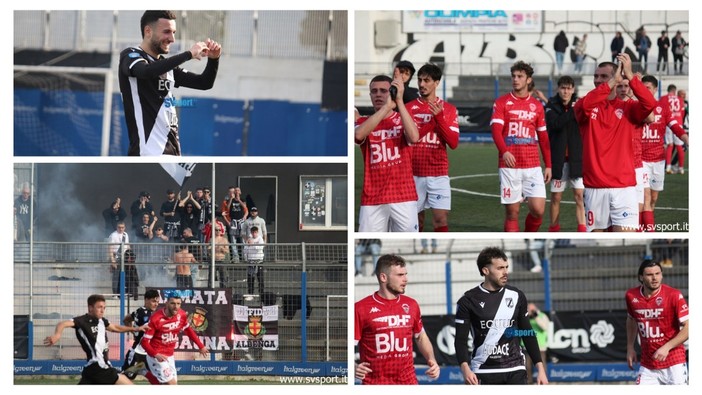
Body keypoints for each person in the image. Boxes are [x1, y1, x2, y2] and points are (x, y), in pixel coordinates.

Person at [119, 10, 221, 156]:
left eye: (173, 32)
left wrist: (213, 59)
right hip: (147, 153)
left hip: (172, 153)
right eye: (167, 32)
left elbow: (204, 83)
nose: (172, 38)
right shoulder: (130, 55)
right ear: (148, 31)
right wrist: (188, 54)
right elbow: (146, 71)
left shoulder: (165, 65)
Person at [573, 54, 656, 232]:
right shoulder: (584, 105)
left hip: (625, 187)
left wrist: (630, 76)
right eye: (596, 76)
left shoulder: (628, 108)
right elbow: (584, 106)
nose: (597, 80)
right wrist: (611, 82)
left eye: (603, 76)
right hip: (595, 186)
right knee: (598, 237)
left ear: (616, 77)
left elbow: (650, 104)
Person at [454, 247, 548, 385]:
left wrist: (540, 369)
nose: (505, 272)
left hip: (515, 369)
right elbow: (460, 340)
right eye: (500, 268)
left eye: (506, 267)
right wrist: (465, 369)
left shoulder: (517, 296)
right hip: (483, 371)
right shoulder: (468, 300)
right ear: (485, 271)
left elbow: (527, 333)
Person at [354, 254, 440, 384]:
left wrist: (432, 359)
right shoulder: (361, 308)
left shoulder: (411, 305)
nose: (405, 279)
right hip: (376, 383)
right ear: (383, 277)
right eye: (400, 275)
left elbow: (420, 336)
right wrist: (353, 366)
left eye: (405, 274)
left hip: (408, 381)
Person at [491, 60, 551, 232]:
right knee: (512, 213)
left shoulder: (537, 106)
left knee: (538, 210)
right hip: (509, 166)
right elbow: (496, 131)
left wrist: (549, 165)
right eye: (513, 76)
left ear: (528, 80)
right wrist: (504, 152)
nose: (515, 79)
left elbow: (543, 137)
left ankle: (529, 236)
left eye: (520, 76)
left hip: (532, 166)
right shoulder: (501, 102)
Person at [355, 73, 420, 232]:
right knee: (366, 241)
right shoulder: (363, 122)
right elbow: (358, 135)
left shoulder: (403, 118)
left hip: (404, 196)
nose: (378, 94)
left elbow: (414, 137)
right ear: (370, 95)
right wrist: (385, 108)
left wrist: (399, 101)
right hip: (373, 198)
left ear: (391, 92)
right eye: (374, 91)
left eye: (383, 91)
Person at [43, 294, 148, 384]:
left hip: (91, 369)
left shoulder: (102, 321)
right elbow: (63, 323)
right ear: (90, 308)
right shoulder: (82, 321)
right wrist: (57, 335)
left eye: (104, 307)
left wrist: (136, 328)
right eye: (99, 307)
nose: (102, 310)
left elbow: (115, 327)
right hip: (99, 367)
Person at [407, 63, 459, 232]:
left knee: (440, 220)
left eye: (427, 80)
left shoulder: (449, 110)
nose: (421, 84)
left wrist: (440, 118)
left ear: (436, 83)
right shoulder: (409, 108)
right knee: (416, 222)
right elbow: (409, 139)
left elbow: (453, 143)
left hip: (438, 173)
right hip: (413, 173)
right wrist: (432, 121)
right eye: (420, 80)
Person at [625, 259, 688, 384]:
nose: (655, 278)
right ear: (641, 277)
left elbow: (689, 328)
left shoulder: (673, 295)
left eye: (657, 274)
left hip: (674, 362)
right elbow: (631, 320)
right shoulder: (631, 296)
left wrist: (667, 347)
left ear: (662, 274)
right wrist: (630, 347)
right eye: (649, 275)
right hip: (648, 364)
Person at [640, 76, 688, 232]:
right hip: (641, 161)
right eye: (643, 87)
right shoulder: (635, 107)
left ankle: (644, 226)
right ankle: (647, 232)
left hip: (658, 161)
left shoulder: (663, 108)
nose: (645, 91)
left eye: (648, 88)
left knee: (653, 199)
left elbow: (676, 127)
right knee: (645, 197)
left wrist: (687, 139)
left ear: (655, 90)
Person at [140, 291, 209, 385]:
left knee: (167, 385)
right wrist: (155, 354)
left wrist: (201, 346)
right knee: (172, 385)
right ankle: (144, 371)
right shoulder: (156, 319)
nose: (176, 306)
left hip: (170, 356)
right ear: (166, 303)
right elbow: (144, 342)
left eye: (178, 303)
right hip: (157, 356)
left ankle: (143, 371)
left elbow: (188, 330)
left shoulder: (182, 315)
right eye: (172, 303)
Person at [545, 75, 585, 232]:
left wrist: (577, 107)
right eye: (563, 88)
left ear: (573, 89)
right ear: (558, 89)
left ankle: (582, 230)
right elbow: (556, 124)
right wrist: (574, 110)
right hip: (558, 159)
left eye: (569, 88)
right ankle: (554, 229)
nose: (566, 91)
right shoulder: (551, 105)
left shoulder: (580, 104)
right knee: (556, 197)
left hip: (577, 158)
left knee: (580, 197)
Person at [121, 289, 160, 381]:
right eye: (153, 301)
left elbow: (126, 319)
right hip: (138, 351)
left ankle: (141, 369)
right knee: (126, 378)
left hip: (146, 351)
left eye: (157, 302)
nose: (156, 304)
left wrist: (134, 332)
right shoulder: (145, 313)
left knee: (158, 377)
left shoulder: (139, 311)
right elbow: (149, 327)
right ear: (146, 300)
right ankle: (141, 369)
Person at [524, 303, 551, 384]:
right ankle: (529, 382)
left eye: (532, 309)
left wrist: (536, 316)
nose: (530, 311)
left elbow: (544, 327)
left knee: (541, 366)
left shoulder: (542, 316)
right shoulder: (525, 317)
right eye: (528, 309)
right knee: (527, 366)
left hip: (540, 346)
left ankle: (543, 381)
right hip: (527, 346)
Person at [664, 84, 686, 175]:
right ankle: (681, 168)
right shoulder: (680, 99)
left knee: (670, 145)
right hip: (678, 124)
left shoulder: (664, 98)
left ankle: (668, 167)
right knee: (679, 146)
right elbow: (683, 112)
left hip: (669, 123)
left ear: (668, 90)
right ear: (674, 91)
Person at [222, 186, 248, 261]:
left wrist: (239, 200)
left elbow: (245, 207)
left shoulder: (242, 199)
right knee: (233, 240)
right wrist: (231, 199)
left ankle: (244, 256)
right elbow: (228, 208)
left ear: (240, 192)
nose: (236, 192)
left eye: (238, 190)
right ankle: (235, 257)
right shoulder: (229, 200)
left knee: (242, 239)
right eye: (235, 191)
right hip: (233, 221)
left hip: (241, 221)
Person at [108, 221, 131, 296]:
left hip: (125, 258)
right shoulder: (113, 235)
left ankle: (122, 292)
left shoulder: (126, 234)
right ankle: (115, 293)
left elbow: (127, 245)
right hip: (116, 257)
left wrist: (130, 256)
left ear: (125, 227)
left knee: (124, 276)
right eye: (119, 227)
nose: (121, 229)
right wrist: (112, 260)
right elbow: (110, 248)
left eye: (122, 227)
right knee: (116, 277)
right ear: (116, 227)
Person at [243, 226, 265, 300]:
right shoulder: (249, 239)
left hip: (259, 261)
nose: (254, 234)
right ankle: (250, 294)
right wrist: (246, 258)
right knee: (250, 279)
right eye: (253, 232)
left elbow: (260, 248)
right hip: (250, 261)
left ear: (257, 232)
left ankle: (261, 295)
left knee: (260, 279)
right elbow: (245, 250)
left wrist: (253, 244)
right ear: (251, 232)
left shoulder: (260, 239)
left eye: (255, 232)